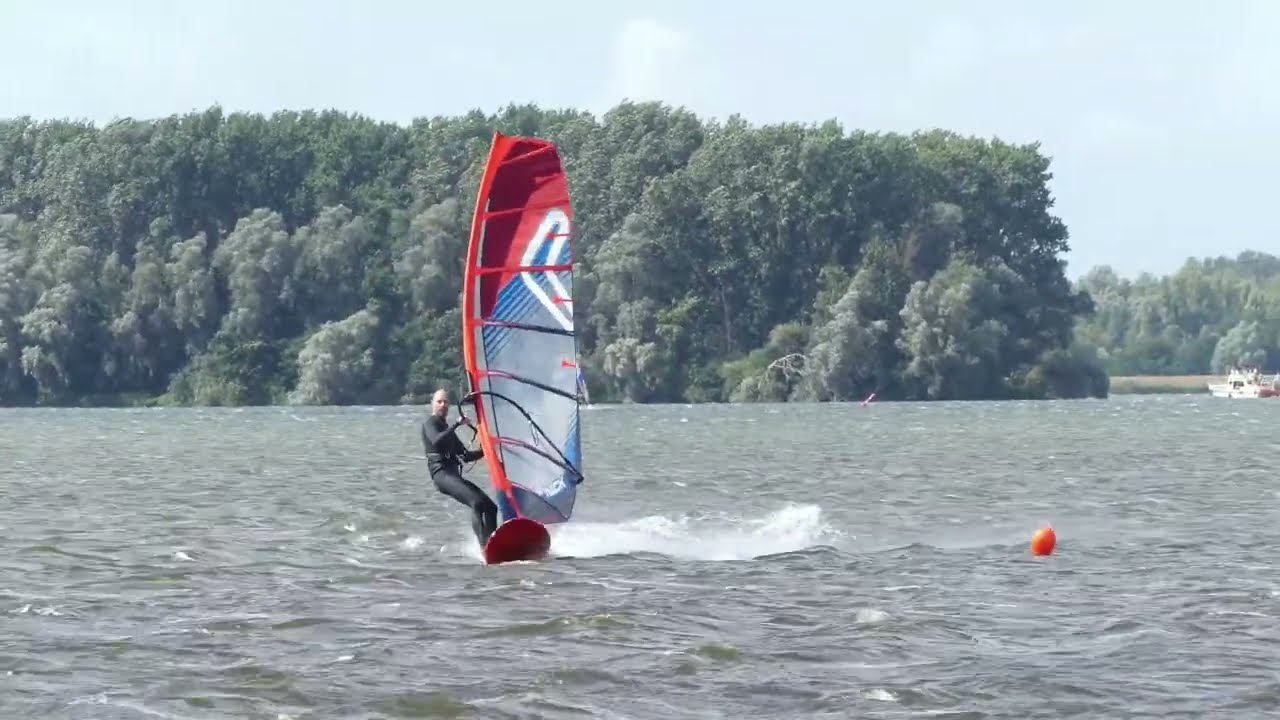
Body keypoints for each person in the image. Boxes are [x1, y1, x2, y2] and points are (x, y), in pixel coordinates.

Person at [420, 388, 497, 546]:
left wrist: (486, 450)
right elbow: (437, 441)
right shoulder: (430, 423)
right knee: (476, 503)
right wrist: (456, 424)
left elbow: (465, 456)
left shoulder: (447, 429)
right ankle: (484, 546)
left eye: (446, 402)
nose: (443, 405)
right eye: (439, 401)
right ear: (432, 404)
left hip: (454, 476)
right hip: (441, 475)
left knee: (491, 507)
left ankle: (493, 544)